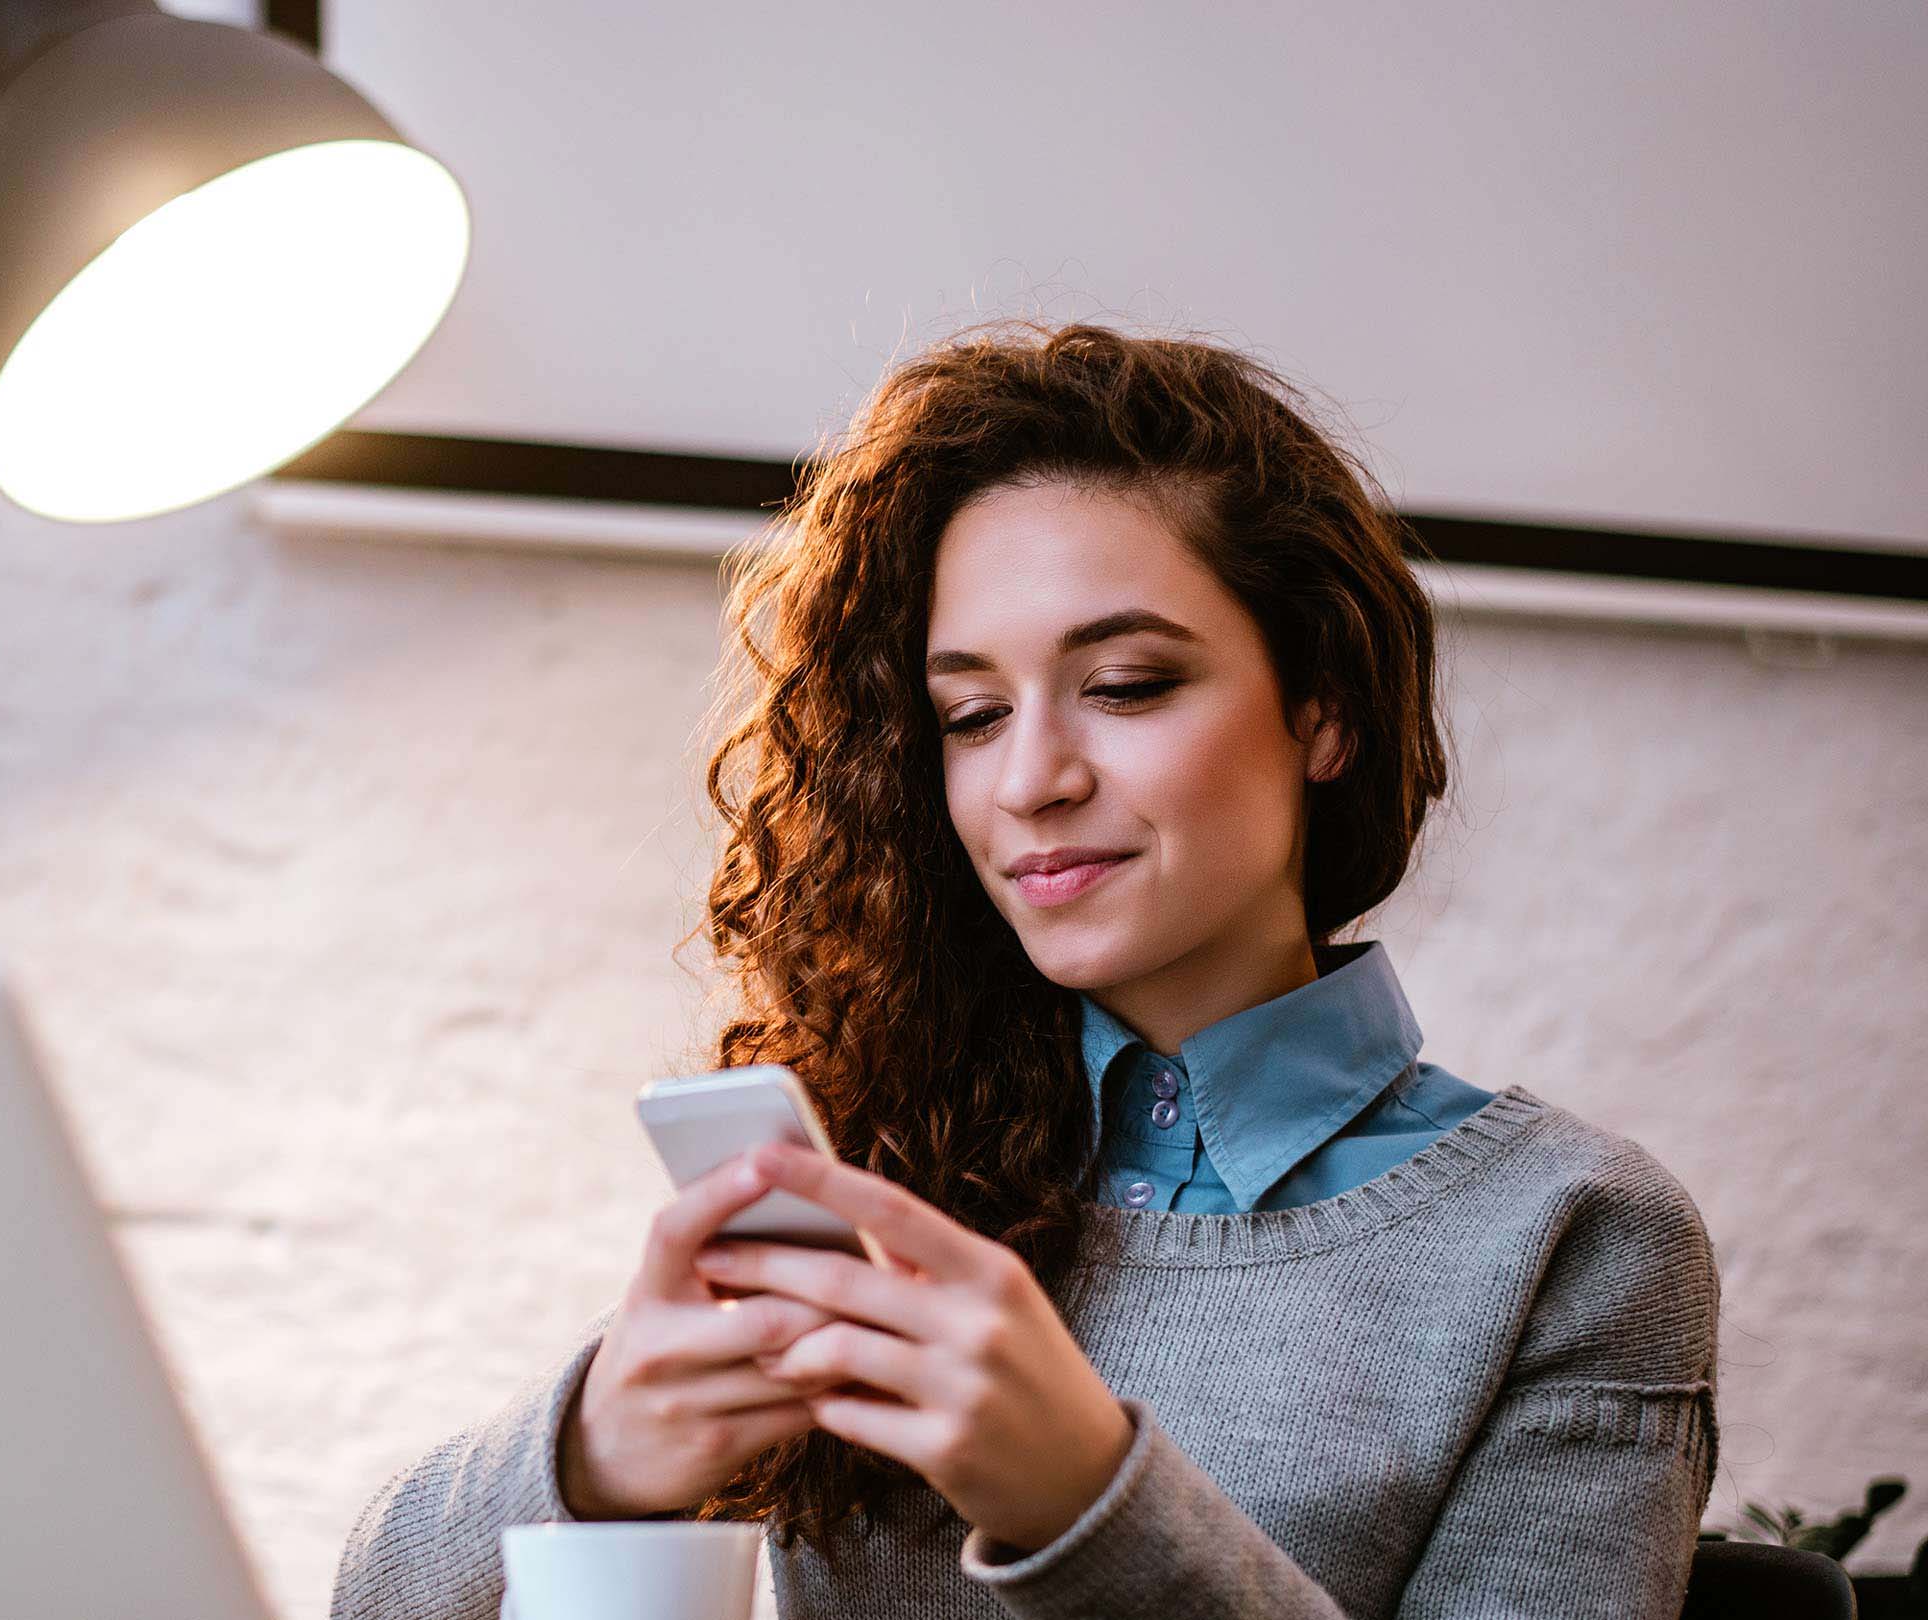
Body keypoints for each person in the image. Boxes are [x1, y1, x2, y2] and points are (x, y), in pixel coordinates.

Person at [327, 319, 1722, 1620]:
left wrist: (1085, 1496)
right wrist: (595, 1450)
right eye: (970, 715)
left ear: (1325, 711)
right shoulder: (895, 1146)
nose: (1033, 781)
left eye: (1125, 687)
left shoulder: (1567, 1237)